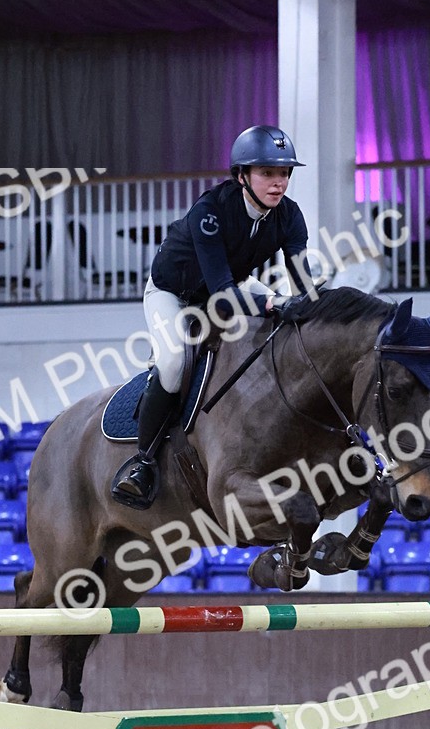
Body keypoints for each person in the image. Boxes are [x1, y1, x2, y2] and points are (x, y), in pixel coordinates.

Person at [112, 124, 312, 509]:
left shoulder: (289, 215)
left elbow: (303, 285)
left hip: (233, 284)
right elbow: (222, 299)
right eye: (267, 173)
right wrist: (273, 304)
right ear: (241, 176)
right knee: (173, 364)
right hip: (174, 294)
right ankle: (142, 463)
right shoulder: (210, 212)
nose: (279, 183)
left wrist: (311, 308)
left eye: (284, 173)